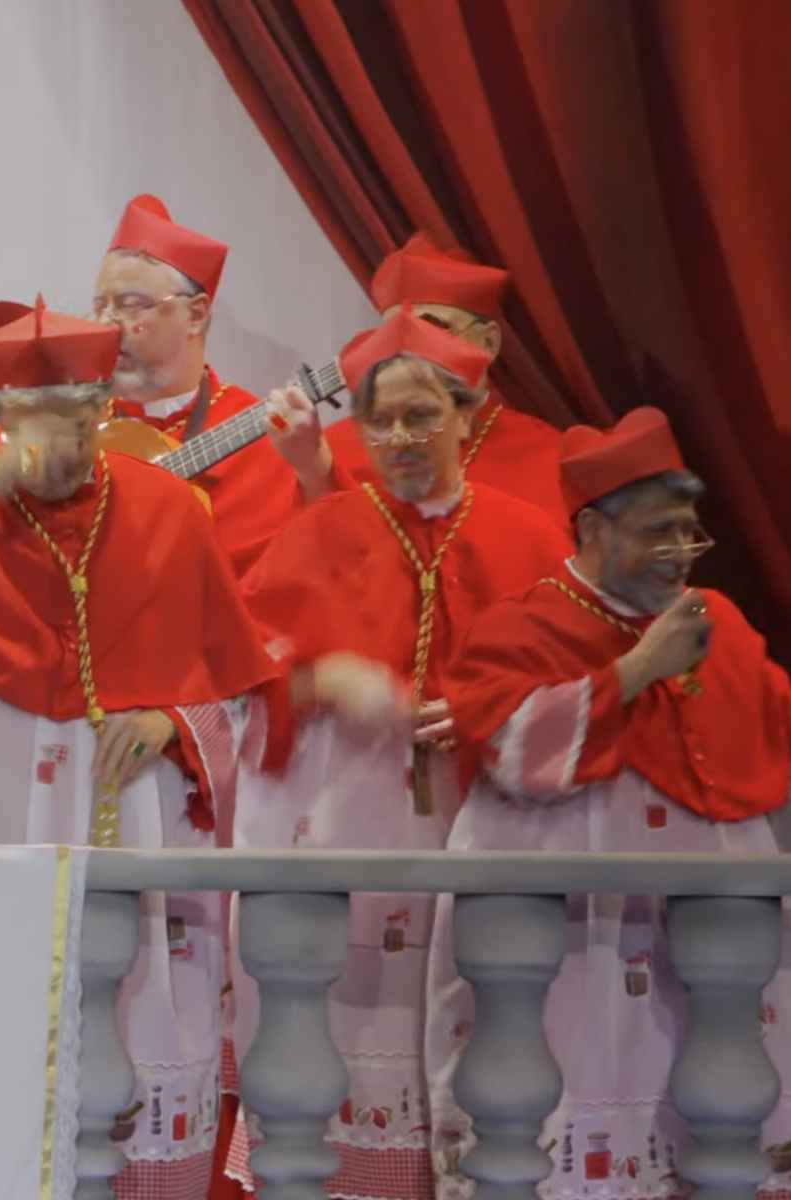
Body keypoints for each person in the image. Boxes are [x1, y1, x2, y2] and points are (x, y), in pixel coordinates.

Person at [0, 297, 274, 1196]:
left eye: (78, 424)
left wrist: (171, 722)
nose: (61, 451)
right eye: (34, 427)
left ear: (106, 409)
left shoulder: (167, 506)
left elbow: (240, 686)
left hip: (130, 825)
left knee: (128, 1061)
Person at [222, 309, 572, 1198]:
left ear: (465, 415)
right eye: (379, 421)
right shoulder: (321, 527)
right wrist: (325, 677)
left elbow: (580, 682)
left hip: (482, 820)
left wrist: (494, 709)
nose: (400, 439)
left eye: (422, 416)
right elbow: (242, 674)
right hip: (346, 814)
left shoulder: (528, 534)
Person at [422, 407, 791, 1198]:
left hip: (712, 935)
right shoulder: (521, 624)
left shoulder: (718, 619)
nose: (679, 551)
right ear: (591, 528)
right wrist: (635, 670)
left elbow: (773, 737)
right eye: (658, 532)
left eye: (690, 531)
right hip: (570, 930)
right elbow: (512, 754)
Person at [266, 234, 563, 516]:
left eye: (433, 328)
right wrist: (317, 473)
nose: (413, 349)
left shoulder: (546, 453)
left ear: (488, 342)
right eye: (396, 332)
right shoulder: (332, 449)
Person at [89, 194, 300, 575]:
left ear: (196, 315)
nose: (107, 325)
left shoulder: (259, 436)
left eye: (131, 305)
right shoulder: (76, 424)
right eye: (101, 306)